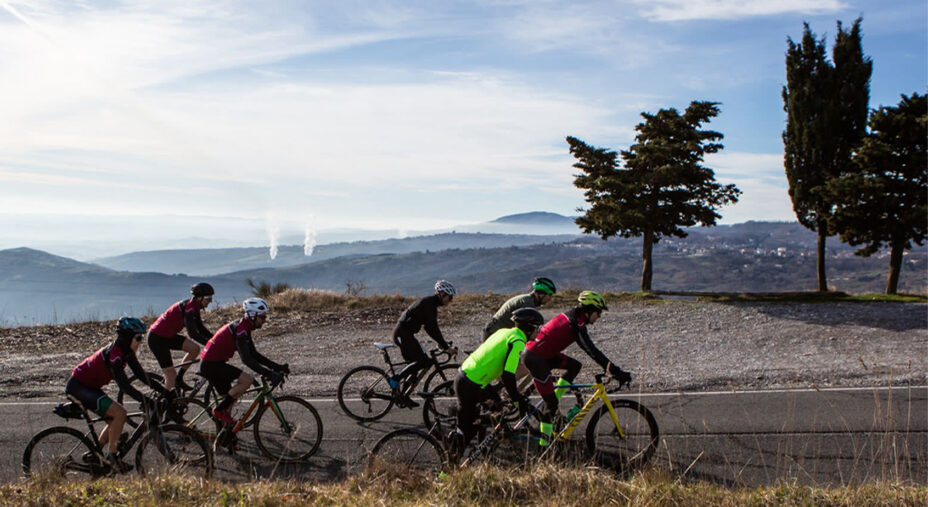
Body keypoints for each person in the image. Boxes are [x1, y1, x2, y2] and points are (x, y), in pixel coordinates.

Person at [521, 290, 632, 446]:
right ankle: (544, 448)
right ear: (589, 310)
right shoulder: (575, 323)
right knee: (550, 406)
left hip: (544, 354)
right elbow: (592, 351)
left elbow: (591, 351)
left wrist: (613, 369)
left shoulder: (576, 318)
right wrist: (616, 371)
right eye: (598, 312)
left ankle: (554, 400)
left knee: (574, 366)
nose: (599, 316)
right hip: (536, 358)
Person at [65, 317, 168, 472]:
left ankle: (95, 454)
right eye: (138, 337)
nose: (141, 341)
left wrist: (165, 391)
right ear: (127, 337)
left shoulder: (126, 351)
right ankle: (113, 457)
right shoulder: (115, 355)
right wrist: (146, 400)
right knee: (120, 413)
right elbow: (125, 386)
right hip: (78, 387)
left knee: (116, 418)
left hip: (89, 387)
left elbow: (141, 375)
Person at [451, 307, 544, 455]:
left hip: (470, 378)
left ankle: (484, 446)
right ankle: (449, 466)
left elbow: (497, 360)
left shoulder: (506, 332)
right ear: (529, 328)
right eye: (537, 328)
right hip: (471, 384)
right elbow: (508, 374)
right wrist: (516, 398)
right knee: (467, 432)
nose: (539, 332)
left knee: (497, 411)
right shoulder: (518, 341)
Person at [199, 297, 289, 425]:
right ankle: (218, 410)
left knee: (231, 398)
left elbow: (254, 354)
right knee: (247, 380)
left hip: (213, 363)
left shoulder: (244, 327)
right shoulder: (241, 330)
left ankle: (226, 435)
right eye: (262, 317)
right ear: (253, 316)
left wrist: (277, 367)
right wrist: (269, 373)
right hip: (211, 365)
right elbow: (247, 360)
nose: (265, 321)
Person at [390, 280, 458, 407]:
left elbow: (429, 328)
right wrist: (445, 346)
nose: (451, 300)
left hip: (405, 334)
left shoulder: (430, 304)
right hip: (402, 334)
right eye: (450, 297)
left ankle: (403, 396)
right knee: (423, 361)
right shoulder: (429, 304)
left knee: (414, 367)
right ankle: (395, 380)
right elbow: (432, 328)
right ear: (442, 294)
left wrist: (442, 343)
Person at [147, 282, 215, 392]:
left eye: (211, 298)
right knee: (170, 375)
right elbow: (193, 333)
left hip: (168, 336)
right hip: (157, 339)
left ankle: (180, 378)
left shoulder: (194, 306)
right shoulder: (189, 308)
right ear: (199, 298)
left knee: (194, 349)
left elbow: (201, 328)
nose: (211, 301)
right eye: (208, 298)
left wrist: (215, 340)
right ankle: (166, 403)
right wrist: (210, 344)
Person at [482, 277, 556, 339]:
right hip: (493, 334)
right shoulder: (527, 303)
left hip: (496, 332)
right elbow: (528, 330)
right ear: (541, 294)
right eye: (549, 295)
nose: (550, 298)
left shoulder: (528, 300)